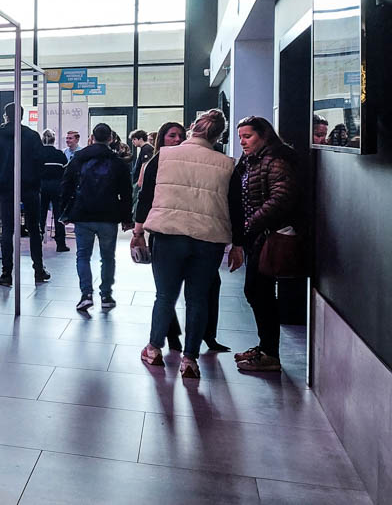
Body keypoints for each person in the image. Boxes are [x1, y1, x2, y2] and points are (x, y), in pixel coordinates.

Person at [133, 110, 243, 379]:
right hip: (209, 239)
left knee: (165, 296)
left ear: (193, 128)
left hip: (169, 235)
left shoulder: (164, 156)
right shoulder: (227, 164)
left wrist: (138, 231)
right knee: (198, 299)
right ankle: (190, 359)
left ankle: (154, 349)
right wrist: (238, 245)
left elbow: (146, 196)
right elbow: (236, 207)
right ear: (219, 135)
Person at [230, 116, 299, 372]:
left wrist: (250, 224)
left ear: (264, 134)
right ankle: (266, 346)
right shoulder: (252, 160)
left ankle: (270, 353)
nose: (243, 142)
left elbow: (282, 196)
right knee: (256, 292)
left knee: (260, 293)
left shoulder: (277, 159)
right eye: (240, 137)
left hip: (268, 235)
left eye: (247, 136)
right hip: (256, 236)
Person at [57, 122, 132, 311]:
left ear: (91, 137)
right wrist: (126, 217)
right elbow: (126, 193)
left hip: (83, 213)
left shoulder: (78, 159)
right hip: (109, 215)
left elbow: (66, 186)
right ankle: (106, 295)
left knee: (83, 255)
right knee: (108, 257)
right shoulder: (118, 162)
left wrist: (64, 211)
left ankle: (86, 294)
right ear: (111, 139)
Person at [0, 103, 49, 286]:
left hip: (5, 187)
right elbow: (40, 162)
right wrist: (36, 181)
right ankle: (39, 269)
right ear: (21, 115)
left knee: (7, 230)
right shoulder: (33, 136)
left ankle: (6, 273)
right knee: (34, 229)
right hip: (30, 187)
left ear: (6, 116)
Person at [38, 129, 70, 251]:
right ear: (54, 140)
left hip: (41, 186)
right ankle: (60, 244)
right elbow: (65, 171)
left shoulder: (38, 153)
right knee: (58, 215)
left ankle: (38, 241)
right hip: (57, 187)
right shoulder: (60, 154)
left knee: (40, 215)